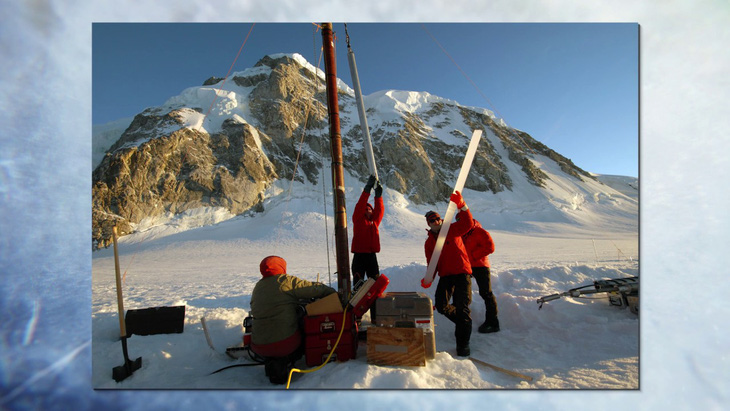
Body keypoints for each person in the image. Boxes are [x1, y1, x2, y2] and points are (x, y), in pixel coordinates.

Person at [250, 255, 336, 384]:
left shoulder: (258, 287)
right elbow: (312, 289)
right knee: (304, 320)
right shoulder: (285, 281)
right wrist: (332, 292)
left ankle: (276, 364)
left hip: (258, 345)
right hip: (285, 344)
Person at [423, 191, 474, 357]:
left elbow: (468, 224)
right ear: (429, 224)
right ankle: (463, 321)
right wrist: (428, 278)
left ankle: (463, 344)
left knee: (463, 307)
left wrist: (462, 205)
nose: (436, 221)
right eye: (432, 220)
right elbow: (432, 262)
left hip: (462, 273)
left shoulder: (451, 229)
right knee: (442, 306)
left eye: (437, 218)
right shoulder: (429, 242)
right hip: (446, 275)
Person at [462, 219, 500, 333]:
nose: (460, 222)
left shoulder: (479, 231)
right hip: (467, 267)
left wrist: (473, 256)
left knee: (486, 293)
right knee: (463, 294)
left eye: (462, 219)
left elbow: (490, 247)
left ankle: (493, 323)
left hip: (481, 266)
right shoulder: (463, 233)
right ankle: (464, 321)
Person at [351, 174, 384, 287]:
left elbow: (379, 210)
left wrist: (378, 196)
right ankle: (357, 302)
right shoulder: (358, 219)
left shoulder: (374, 222)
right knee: (358, 283)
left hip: (371, 256)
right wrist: (367, 189)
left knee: (374, 283)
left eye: (370, 208)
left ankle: (374, 304)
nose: (368, 210)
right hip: (359, 256)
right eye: (366, 209)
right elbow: (360, 206)